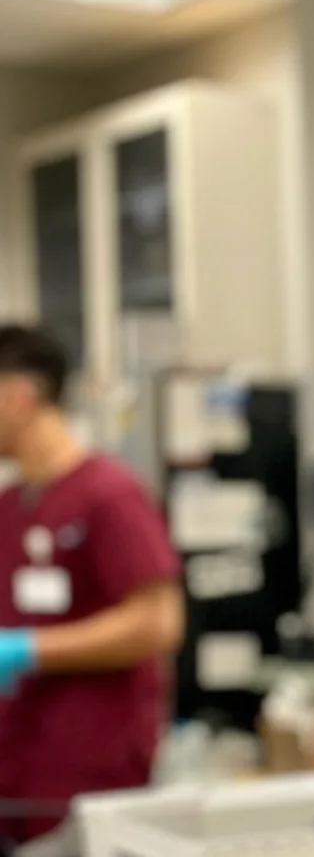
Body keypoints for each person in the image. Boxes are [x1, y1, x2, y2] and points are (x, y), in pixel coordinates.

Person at [0, 324, 185, 846]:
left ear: (19, 397)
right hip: (19, 768)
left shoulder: (110, 496)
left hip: (89, 772)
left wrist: (28, 650)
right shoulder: (12, 505)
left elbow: (157, 622)